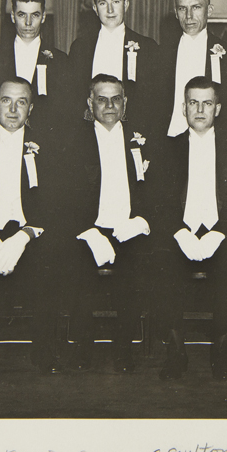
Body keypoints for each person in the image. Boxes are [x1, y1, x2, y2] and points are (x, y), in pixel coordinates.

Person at [0, 77, 62, 372]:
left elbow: (55, 201)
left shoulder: (48, 145)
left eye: (22, 102)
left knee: (52, 258)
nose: (14, 109)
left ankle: (45, 352)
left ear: (31, 109)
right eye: (7, 100)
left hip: (28, 230)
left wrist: (26, 235)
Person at [153, 77, 227, 380]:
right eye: (193, 102)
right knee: (160, 260)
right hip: (181, 231)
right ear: (183, 108)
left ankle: (220, 348)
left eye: (207, 103)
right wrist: (180, 233)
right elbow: (157, 200)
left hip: (221, 232)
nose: (199, 109)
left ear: (217, 109)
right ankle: (176, 349)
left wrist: (220, 233)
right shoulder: (167, 148)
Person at [63, 74, 156, 372]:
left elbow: (157, 189)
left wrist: (140, 220)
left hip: (129, 227)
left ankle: (124, 350)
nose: (110, 105)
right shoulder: (73, 140)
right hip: (89, 229)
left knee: (135, 275)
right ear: (90, 103)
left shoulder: (141, 137)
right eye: (101, 99)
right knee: (79, 275)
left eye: (116, 99)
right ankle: (82, 349)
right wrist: (89, 232)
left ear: (125, 102)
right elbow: (64, 195)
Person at [156, 0, 227, 141]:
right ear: (176, 13)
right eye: (182, 8)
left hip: (214, 142)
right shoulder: (160, 55)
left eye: (196, 7)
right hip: (169, 141)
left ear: (209, 10)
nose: (189, 16)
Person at [0, 0, 72, 145]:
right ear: (12, 16)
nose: (28, 23)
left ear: (43, 17)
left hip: (47, 144)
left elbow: (64, 112)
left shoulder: (60, 60)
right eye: (22, 15)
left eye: (35, 15)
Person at [67, 0, 161, 134]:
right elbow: (74, 95)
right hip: (90, 132)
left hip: (135, 130)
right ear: (95, 9)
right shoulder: (80, 47)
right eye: (103, 3)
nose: (110, 10)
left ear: (125, 5)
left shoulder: (147, 47)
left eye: (115, 2)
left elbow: (153, 99)